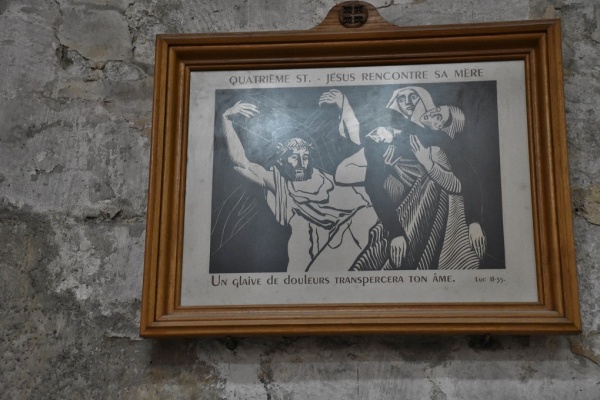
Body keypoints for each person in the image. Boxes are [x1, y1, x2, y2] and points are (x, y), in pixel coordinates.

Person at [320, 87, 485, 269]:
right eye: (402, 98)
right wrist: (395, 232)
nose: (408, 102)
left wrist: (474, 221)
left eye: (414, 97)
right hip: (393, 206)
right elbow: (372, 182)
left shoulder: (441, 141)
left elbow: (469, 179)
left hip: (431, 207)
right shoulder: (384, 133)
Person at [220, 101, 377, 273]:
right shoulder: (278, 181)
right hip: (304, 246)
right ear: (281, 160)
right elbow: (241, 163)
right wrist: (226, 119)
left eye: (305, 157)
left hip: (341, 243)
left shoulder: (327, 180)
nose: (301, 163)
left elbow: (361, 203)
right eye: (294, 157)